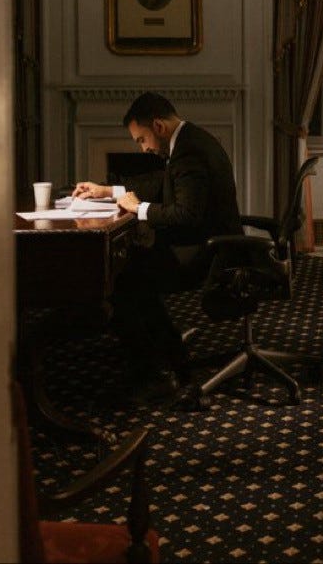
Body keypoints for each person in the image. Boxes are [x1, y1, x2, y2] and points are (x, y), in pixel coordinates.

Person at [73, 91, 242, 404]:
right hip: (208, 243)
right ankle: (168, 358)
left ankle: (156, 373)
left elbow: (187, 216)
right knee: (128, 273)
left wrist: (139, 209)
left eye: (141, 139)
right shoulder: (189, 140)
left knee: (123, 281)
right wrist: (108, 191)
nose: (144, 147)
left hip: (211, 252)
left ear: (158, 126)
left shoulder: (188, 152)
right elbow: (164, 183)